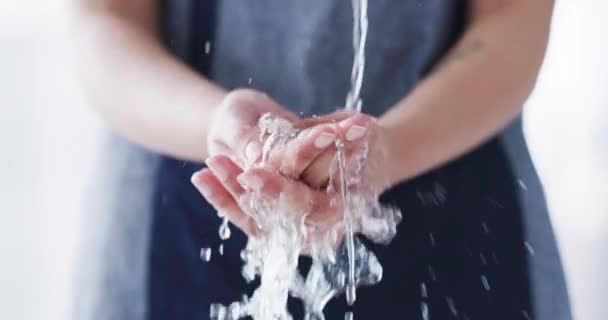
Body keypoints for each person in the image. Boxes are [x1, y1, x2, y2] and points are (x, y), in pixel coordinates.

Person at [72, 0, 571, 319]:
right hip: (181, 200)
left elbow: (514, 21)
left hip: (452, 185)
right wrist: (220, 127)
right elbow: (105, 23)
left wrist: (391, 150)